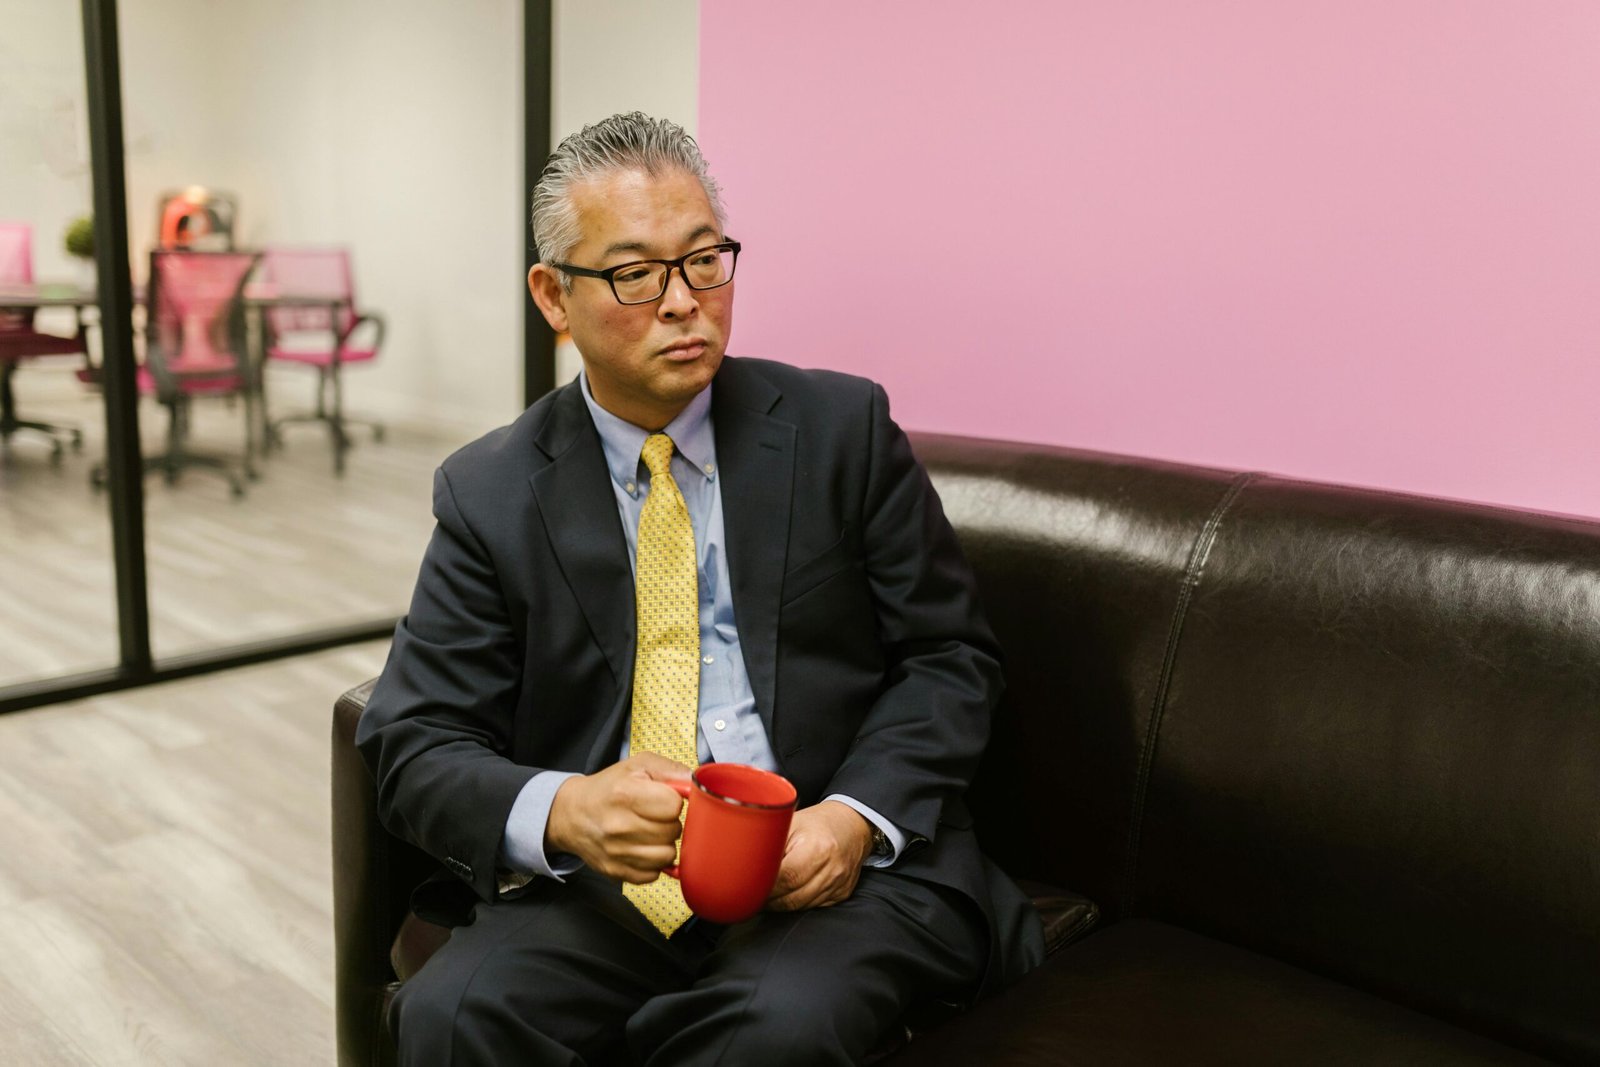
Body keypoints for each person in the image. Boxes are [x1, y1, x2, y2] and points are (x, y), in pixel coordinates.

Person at [356, 111, 1044, 1066]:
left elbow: (950, 657)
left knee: (770, 1031)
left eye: (705, 260)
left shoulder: (841, 429)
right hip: (615, 890)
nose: (684, 301)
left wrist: (850, 819)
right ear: (554, 297)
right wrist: (564, 810)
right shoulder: (490, 492)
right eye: (635, 274)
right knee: (452, 1015)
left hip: (833, 869)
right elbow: (412, 739)